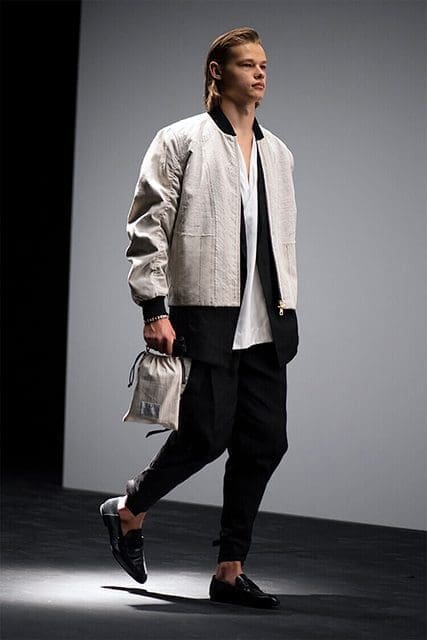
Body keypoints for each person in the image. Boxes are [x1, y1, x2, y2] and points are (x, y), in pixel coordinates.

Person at [100, 26, 299, 609]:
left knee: (265, 442)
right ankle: (130, 508)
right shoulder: (180, 139)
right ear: (217, 71)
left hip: (267, 322)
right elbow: (148, 224)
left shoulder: (279, 153)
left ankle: (229, 571)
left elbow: (281, 241)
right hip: (206, 314)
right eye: (248, 64)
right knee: (206, 435)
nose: (260, 73)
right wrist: (153, 306)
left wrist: (289, 304)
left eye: (264, 65)